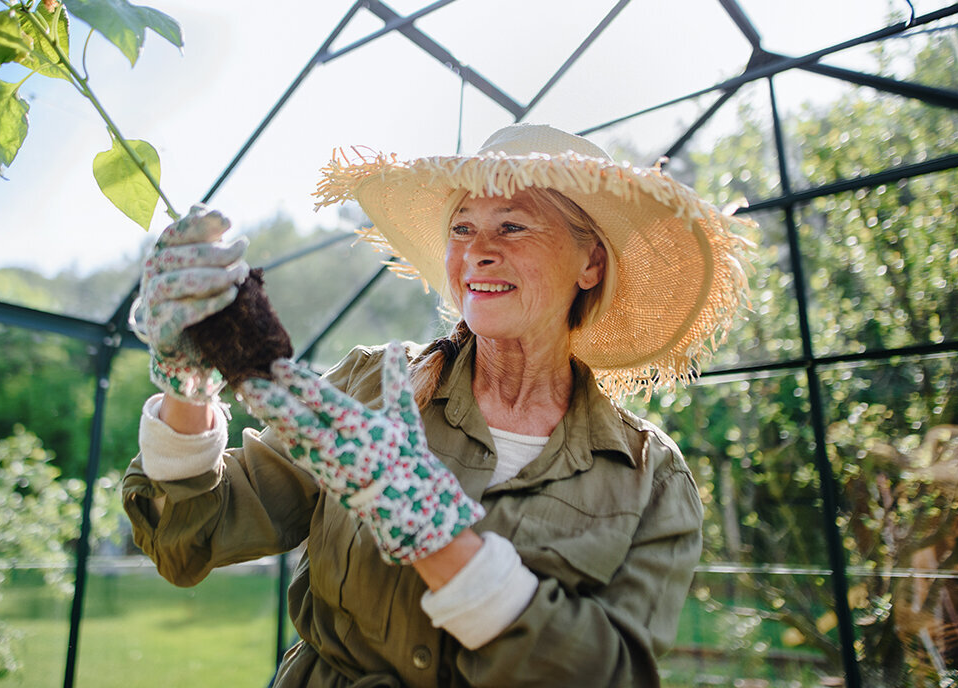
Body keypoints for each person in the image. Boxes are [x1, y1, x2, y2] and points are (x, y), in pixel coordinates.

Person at [122, 123, 753, 687]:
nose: (478, 250)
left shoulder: (649, 478)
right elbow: (189, 537)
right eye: (462, 228)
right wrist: (188, 384)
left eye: (512, 225)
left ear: (589, 262)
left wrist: (434, 536)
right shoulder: (372, 386)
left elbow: (608, 675)